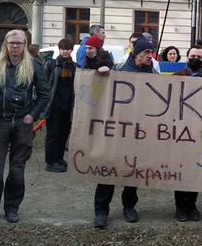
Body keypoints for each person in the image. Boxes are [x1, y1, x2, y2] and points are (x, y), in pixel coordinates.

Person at [0, 29, 49, 225]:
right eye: (12, 43)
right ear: (5, 44)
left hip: (22, 124)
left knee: (17, 169)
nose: (15, 46)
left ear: (25, 44)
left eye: (19, 43)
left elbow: (44, 95)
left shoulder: (34, 66)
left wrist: (32, 115)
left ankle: (12, 208)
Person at [89, 37, 153, 229]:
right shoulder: (118, 71)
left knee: (132, 172)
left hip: (138, 132)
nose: (150, 56)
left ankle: (129, 207)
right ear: (136, 54)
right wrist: (101, 74)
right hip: (117, 131)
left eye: (151, 53)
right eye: (146, 53)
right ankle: (101, 211)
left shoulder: (153, 73)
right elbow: (96, 93)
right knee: (108, 170)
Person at [170, 45, 202, 221]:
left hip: (199, 132)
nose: (195, 59)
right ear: (186, 57)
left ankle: (192, 205)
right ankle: (180, 206)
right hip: (179, 131)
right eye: (193, 56)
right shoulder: (176, 77)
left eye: (199, 57)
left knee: (195, 170)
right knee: (180, 169)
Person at [43, 38, 76, 173]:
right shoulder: (51, 64)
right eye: (63, 49)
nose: (65, 51)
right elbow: (44, 84)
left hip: (68, 106)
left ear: (71, 50)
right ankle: (50, 162)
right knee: (53, 134)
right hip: (54, 106)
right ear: (59, 49)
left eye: (67, 49)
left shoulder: (74, 66)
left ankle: (59, 159)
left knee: (63, 134)